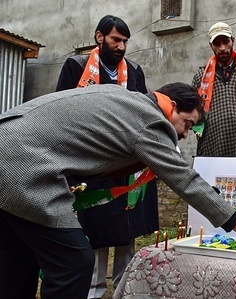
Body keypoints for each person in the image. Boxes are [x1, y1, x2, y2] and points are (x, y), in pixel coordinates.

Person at [0, 83, 236, 299]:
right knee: (73, 263)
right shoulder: (150, 121)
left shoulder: (125, 100)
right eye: (188, 124)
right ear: (172, 106)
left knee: (18, 260)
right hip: (22, 168)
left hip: (9, 142)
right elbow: (184, 179)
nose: (184, 134)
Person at [56, 15, 159, 299]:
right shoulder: (76, 67)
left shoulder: (134, 71)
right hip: (90, 160)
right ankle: (94, 290)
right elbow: (60, 109)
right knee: (96, 225)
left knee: (128, 227)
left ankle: (125, 289)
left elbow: (142, 112)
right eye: (116, 40)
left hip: (126, 159)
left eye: (125, 41)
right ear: (99, 37)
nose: (122, 46)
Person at [192, 22, 236, 157]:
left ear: (233, 41)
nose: (222, 48)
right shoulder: (200, 77)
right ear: (211, 46)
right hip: (212, 144)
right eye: (217, 44)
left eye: (226, 42)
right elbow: (194, 111)